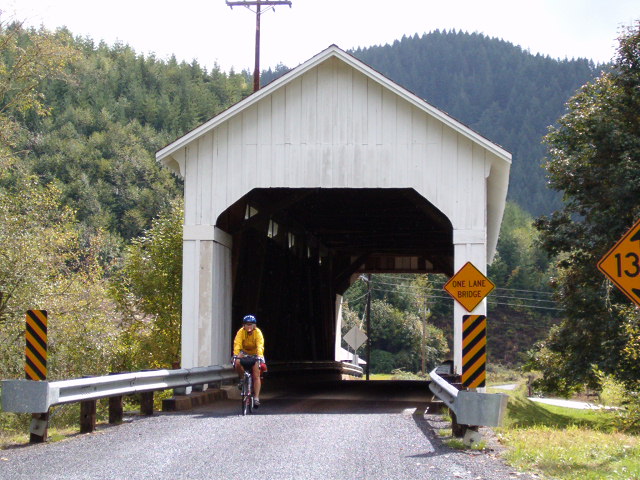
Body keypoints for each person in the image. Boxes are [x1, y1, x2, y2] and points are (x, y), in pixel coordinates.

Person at [232, 314, 265, 406]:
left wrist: (259, 356)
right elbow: (237, 343)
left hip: (255, 354)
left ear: (254, 325)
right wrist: (235, 355)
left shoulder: (258, 332)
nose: (249, 326)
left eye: (251, 324)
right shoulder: (241, 332)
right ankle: (243, 379)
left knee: (256, 375)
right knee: (237, 363)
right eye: (247, 324)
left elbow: (260, 345)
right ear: (244, 325)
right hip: (244, 353)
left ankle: (256, 398)